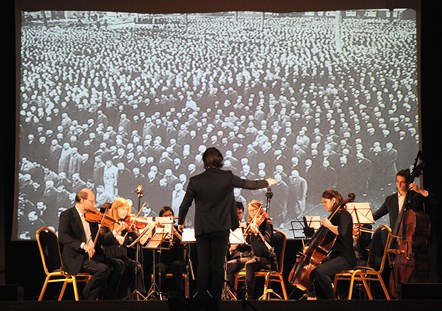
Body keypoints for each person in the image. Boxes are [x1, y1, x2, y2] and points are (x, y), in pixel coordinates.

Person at [177, 147, 277, 302]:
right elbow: (247, 184)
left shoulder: (195, 181)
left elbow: (184, 205)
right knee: (218, 265)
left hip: (202, 228)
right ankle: (215, 301)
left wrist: (181, 222)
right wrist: (266, 182)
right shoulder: (227, 177)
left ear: (204, 162)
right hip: (221, 229)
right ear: (221, 161)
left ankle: (202, 300)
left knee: (203, 265)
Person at [58, 188, 112, 300]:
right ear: (82, 200)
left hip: (92, 256)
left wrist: (115, 232)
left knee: (118, 265)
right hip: (77, 257)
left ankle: (107, 299)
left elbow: (100, 239)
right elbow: (63, 236)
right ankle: (85, 299)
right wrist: (84, 245)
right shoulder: (67, 215)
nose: (94, 204)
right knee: (102, 269)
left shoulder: (91, 216)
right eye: (92, 201)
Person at [309, 189, 356, 300]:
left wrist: (329, 225)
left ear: (333, 200)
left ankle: (332, 301)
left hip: (346, 257)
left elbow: (342, 231)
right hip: (336, 255)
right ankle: (313, 298)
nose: (323, 205)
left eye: (325, 202)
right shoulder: (334, 216)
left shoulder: (343, 214)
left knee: (320, 271)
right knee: (311, 268)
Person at [226, 199, 275, 299]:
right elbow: (247, 246)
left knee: (250, 264)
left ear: (260, 210)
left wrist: (257, 233)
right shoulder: (252, 225)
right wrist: (236, 246)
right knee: (230, 265)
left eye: (254, 210)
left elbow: (266, 243)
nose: (253, 213)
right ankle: (230, 296)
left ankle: (250, 297)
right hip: (253, 256)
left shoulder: (267, 223)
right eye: (250, 211)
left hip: (265, 258)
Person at [100, 198, 146, 299]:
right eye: (122, 209)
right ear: (115, 209)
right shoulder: (105, 223)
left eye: (126, 209)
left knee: (136, 267)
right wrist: (117, 230)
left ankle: (136, 298)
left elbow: (138, 240)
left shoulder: (125, 224)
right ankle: (115, 298)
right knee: (121, 266)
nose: (125, 212)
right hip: (109, 256)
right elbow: (103, 239)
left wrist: (130, 231)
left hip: (123, 256)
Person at [156, 206, 187, 299]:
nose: (168, 217)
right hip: (164, 261)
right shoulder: (159, 230)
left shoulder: (179, 229)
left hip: (178, 260)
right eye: (165, 216)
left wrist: (176, 234)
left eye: (170, 215)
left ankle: (178, 293)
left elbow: (186, 243)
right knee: (158, 268)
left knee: (176, 266)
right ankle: (160, 293)